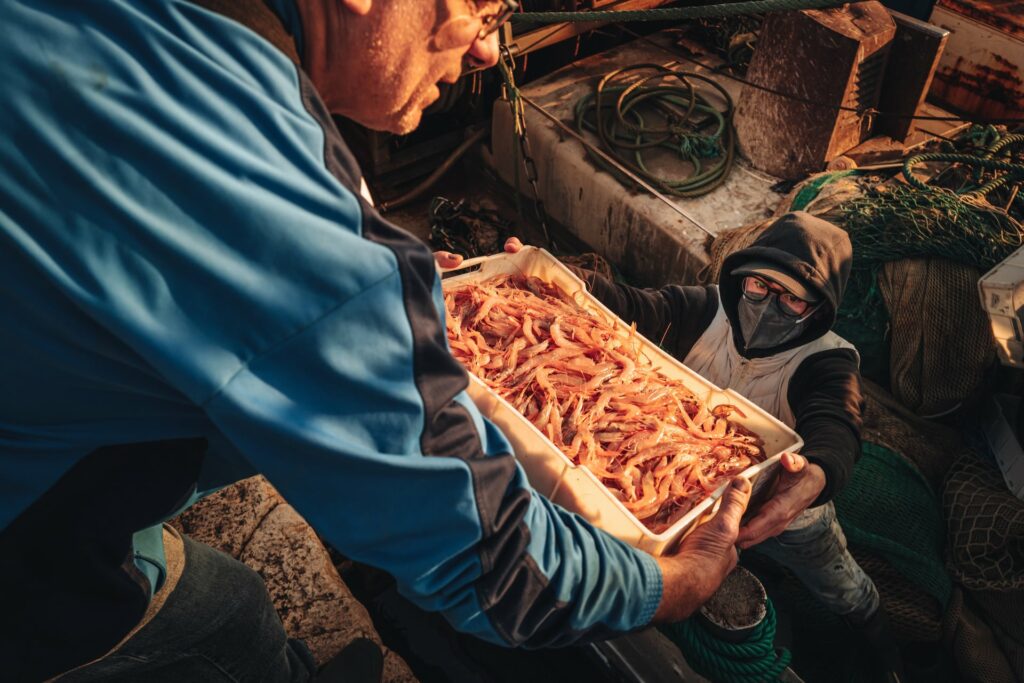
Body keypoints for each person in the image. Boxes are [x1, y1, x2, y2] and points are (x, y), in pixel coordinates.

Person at [0, 2, 757, 681]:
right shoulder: (281, 204)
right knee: (229, 617)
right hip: (29, 557)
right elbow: (498, 567)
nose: (490, 49)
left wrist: (364, 309)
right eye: (484, 6)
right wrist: (673, 585)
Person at [502, 212, 902, 681]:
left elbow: (838, 423)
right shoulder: (705, 308)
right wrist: (561, 276)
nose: (769, 305)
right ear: (742, 280)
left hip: (785, 506)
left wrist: (816, 474)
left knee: (839, 583)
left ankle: (881, 646)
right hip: (692, 503)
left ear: (818, 309)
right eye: (759, 287)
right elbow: (627, 302)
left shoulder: (828, 360)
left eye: (793, 300)